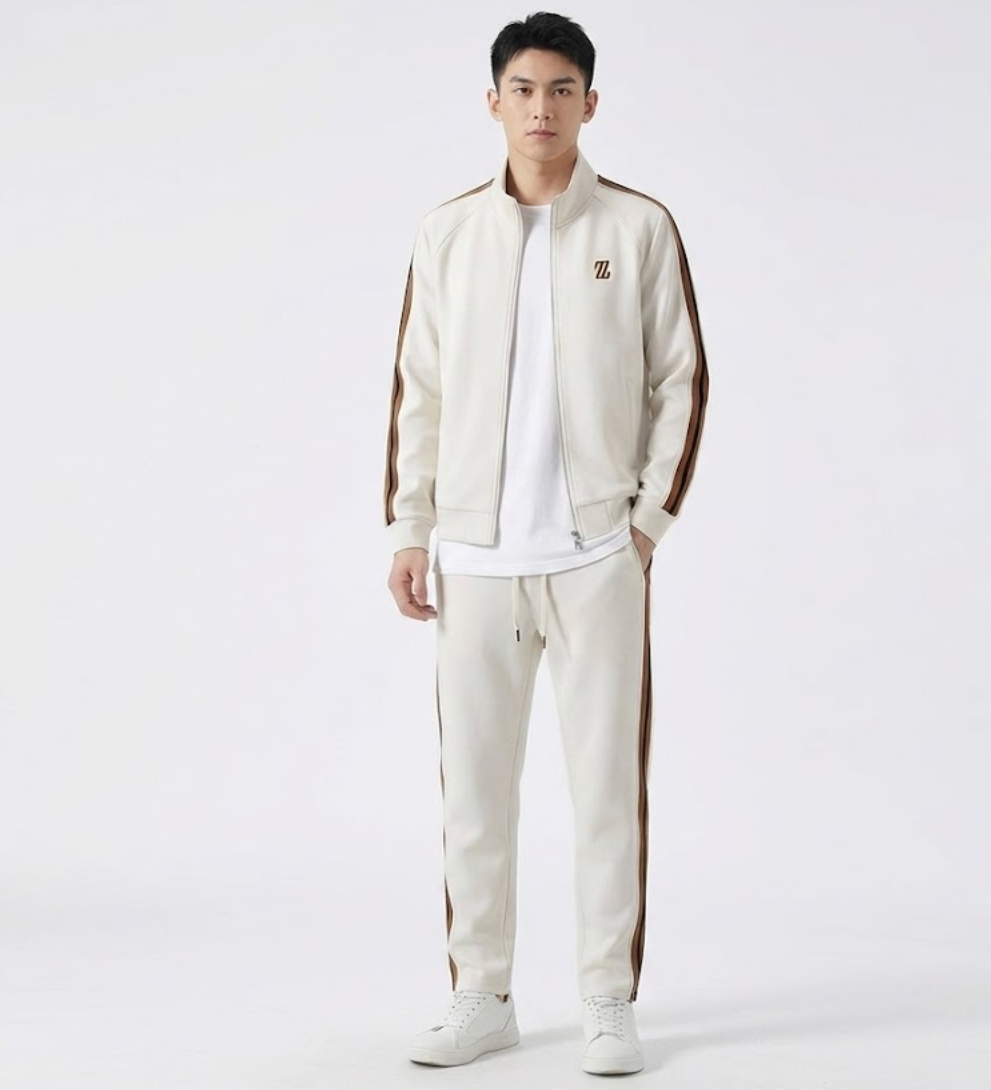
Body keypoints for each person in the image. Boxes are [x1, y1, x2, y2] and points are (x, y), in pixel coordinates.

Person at [382, 11, 709, 1076]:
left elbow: (681, 381)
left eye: (561, 90)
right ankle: (482, 996)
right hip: (474, 563)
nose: (541, 108)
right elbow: (418, 389)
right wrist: (411, 527)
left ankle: (607, 1000)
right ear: (494, 102)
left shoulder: (639, 227)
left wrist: (644, 526)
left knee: (606, 790)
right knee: (475, 796)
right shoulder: (447, 234)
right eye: (523, 89)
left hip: (595, 558)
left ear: (590, 103)